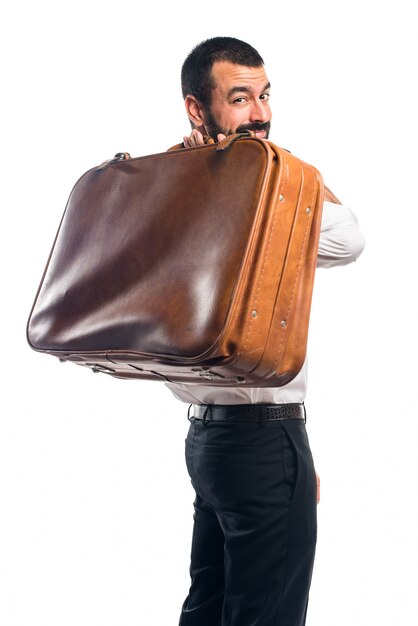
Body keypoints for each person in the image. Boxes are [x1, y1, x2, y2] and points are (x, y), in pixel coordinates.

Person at [165, 36, 365, 626]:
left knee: (208, 607)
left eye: (265, 96)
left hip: (209, 446)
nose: (262, 114)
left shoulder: (169, 186)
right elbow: (349, 238)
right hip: (259, 441)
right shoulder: (267, 197)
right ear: (197, 110)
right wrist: (281, 170)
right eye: (241, 98)